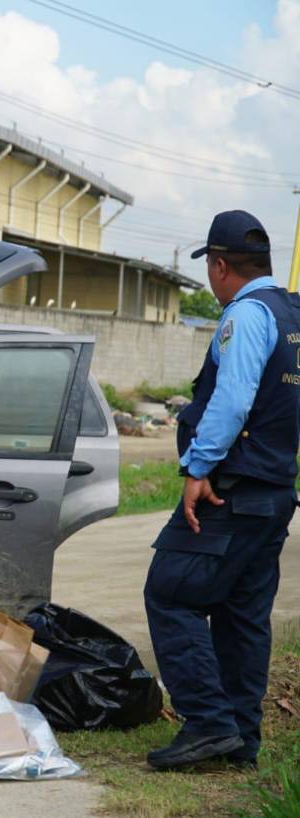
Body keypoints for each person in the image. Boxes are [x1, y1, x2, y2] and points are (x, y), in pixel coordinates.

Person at [144, 210, 300, 770]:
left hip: (229, 494)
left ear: (218, 265)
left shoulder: (247, 315)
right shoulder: (292, 316)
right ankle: (240, 741)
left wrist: (197, 468)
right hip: (275, 493)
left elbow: (232, 402)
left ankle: (209, 725)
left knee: (170, 591)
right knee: (242, 616)